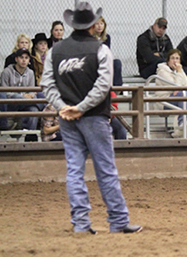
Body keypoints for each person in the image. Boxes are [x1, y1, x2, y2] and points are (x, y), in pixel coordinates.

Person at [40, 1, 142, 234]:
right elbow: (104, 85)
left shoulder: (56, 51)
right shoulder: (100, 50)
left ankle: (81, 224)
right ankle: (117, 220)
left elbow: (47, 83)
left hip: (67, 119)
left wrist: (64, 107)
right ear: (92, 24)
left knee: (74, 170)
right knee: (105, 168)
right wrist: (82, 107)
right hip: (94, 117)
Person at [156, 49, 187, 137]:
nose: (175, 61)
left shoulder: (179, 70)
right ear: (168, 60)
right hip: (165, 101)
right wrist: (179, 74)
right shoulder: (162, 71)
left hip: (180, 100)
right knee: (183, 93)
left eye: (177, 58)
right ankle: (182, 122)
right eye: (172, 58)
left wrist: (180, 72)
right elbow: (176, 87)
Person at [0, 48, 39, 131]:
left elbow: (31, 90)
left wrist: (31, 95)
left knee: (34, 110)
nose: (24, 60)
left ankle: (30, 136)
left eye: (26, 58)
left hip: (26, 103)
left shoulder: (31, 72)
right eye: (21, 57)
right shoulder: (6, 72)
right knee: (17, 97)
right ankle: (39, 104)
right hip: (10, 103)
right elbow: (4, 92)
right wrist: (22, 95)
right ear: (16, 59)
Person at [93, 16, 123, 87]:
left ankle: (117, 88)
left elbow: (106, 51)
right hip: (94, 62)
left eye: (101, 23)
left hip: (104, 60)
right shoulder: (90, 37)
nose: (99, 26)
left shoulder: (107, 37)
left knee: (117, 63)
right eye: (97, 24)